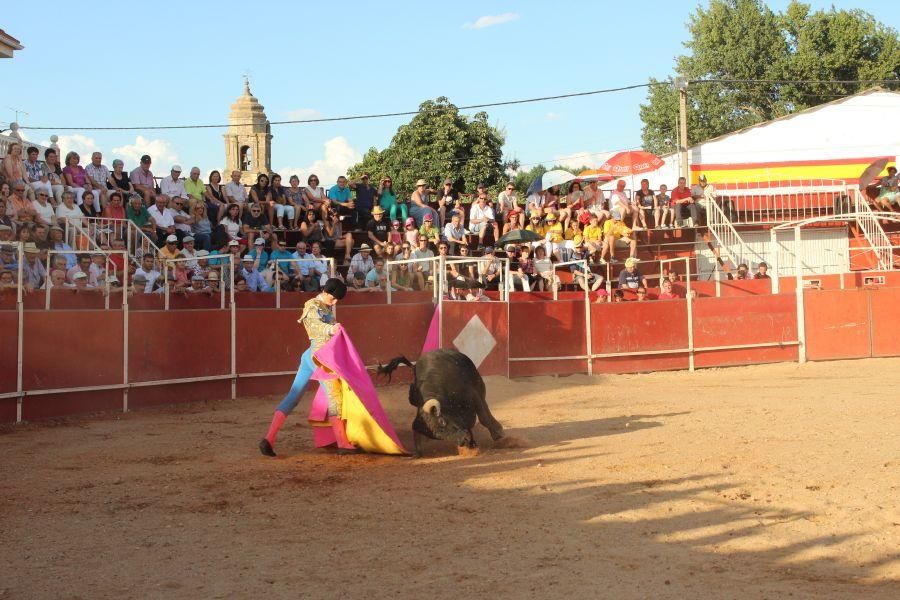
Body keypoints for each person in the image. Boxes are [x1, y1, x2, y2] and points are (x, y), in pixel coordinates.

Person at [259, 278, 354, 456]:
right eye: (333, 299)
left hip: (310, 356)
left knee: (294, 396)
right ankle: (342, 442)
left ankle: (268, 440)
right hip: (320, 358)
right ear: (325, 291)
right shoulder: (312, 305)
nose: (334, 303)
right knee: (334, 397)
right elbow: (314, 325)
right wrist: (330, 330)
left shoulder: (324, 307)